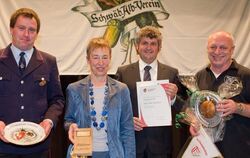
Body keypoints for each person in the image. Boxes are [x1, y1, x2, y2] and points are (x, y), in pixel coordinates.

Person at [0, 8, 65, 158]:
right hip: (2, 146)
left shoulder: (49, 62)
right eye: (21, 28)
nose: (26, 34)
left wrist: (49, 121)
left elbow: (57, 100)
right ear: (11, 29)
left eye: (32, 30)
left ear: (37, 34)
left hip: (38, 148)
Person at [116, 26, 187, 158]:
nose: (149, 47)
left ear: (159, 48)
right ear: (137, 46)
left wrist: (173, 98)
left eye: (153, 44)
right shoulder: (123, 73)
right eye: (145, 43)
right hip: (132, 142)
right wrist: (127, 120)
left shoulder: (171, 73)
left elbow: (183, 107)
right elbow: (115, 106)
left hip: (161, 144)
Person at [64, 37, 135, 158]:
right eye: (95, 57)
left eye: (105, 57)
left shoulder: (122, 90)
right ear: (88, 60)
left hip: (113, 154)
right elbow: (68, 120)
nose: (100, 63)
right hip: (82, 153)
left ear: (110, 59)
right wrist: (71, 126)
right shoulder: (74, 89)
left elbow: (127, 130)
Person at [189, 31, 250, 158]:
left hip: (238, 150)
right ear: (207, 49)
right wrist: (193, 122)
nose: (217, 52)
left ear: (232, 50)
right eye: (213, 47)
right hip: (205, 150)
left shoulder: (246, 75)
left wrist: (237, 107)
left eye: (223, 47)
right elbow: (192, 108)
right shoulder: (199, 76)